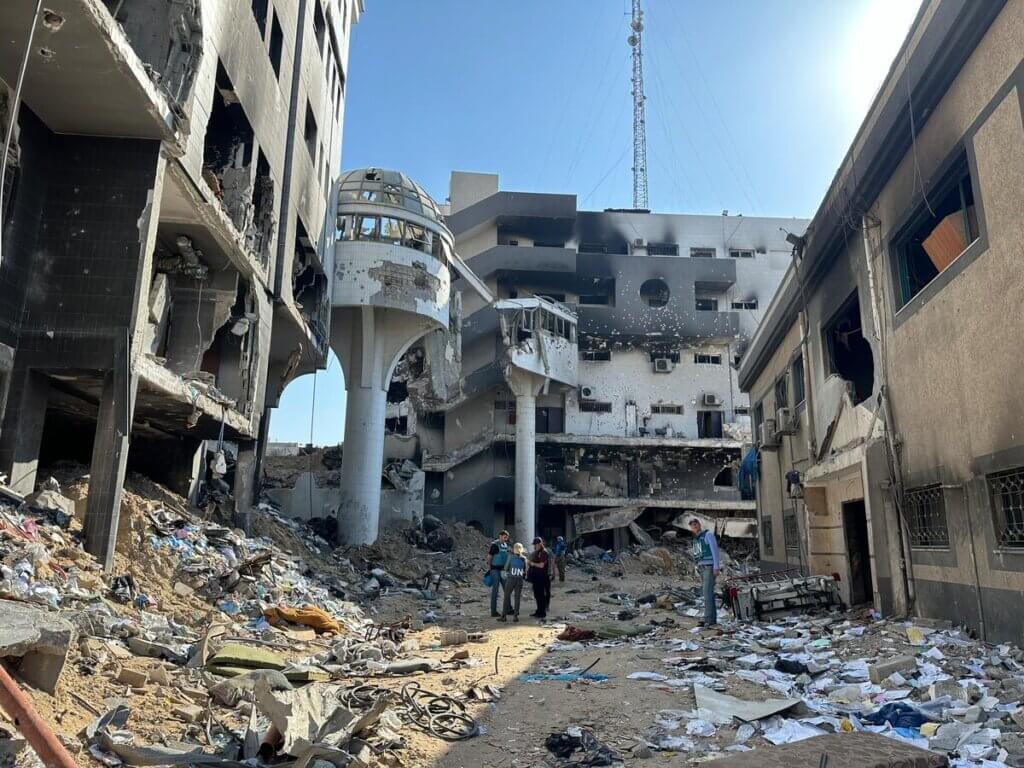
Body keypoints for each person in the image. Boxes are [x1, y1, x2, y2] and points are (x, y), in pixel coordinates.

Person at [688, 518, 721, 627]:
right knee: (707, 593)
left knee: (707, 593)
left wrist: (716, 567)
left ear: (699, 524)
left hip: (709, 567)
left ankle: (708, 619)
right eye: (692, 525)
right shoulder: (696, 539)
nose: (694, 526)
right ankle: (711, 619)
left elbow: (714, 550)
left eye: (695, 524)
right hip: (702, 567)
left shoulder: (708, 535)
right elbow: (697, 554)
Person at [499, 543, 527, 622]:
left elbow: (506, 568)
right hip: (519, 580)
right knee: (517, 598)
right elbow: (525, 571)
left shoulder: (511, 557)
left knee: (507, 597)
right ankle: (515, 616)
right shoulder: (524, 558)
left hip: (511, 579)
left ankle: (503, 616)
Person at [527, 537, 553, 620]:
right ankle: (539, 611)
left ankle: (542, 612)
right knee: (537, 595)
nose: (534, 546)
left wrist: (532, 563)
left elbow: (541, 565)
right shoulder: (537, 552)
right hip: (537, 577)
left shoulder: (544, 553)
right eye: (534, 545)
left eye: (535, 544)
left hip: (542, 577)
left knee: (541, 595)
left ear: (539, 544)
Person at [486, 530, 510, 617]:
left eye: (506, 537)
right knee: (495, 591)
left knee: (507, 589)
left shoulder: (505, 545)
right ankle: (493, 611)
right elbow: (489, 557)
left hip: (503, 570)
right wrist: (490, 569)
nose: (506, 539)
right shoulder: (494, 545)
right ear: (500, 536)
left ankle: (509, 609)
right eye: (504, 537)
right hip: (495, 570)